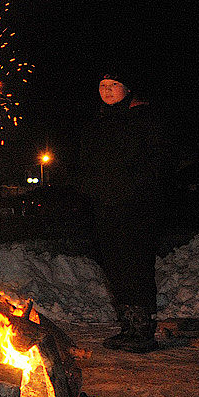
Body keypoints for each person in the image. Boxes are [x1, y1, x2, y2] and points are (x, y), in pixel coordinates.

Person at [78, 70, 172, 352]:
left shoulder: (144, 119)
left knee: (136, 265)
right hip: (106, 207)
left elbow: (160, 163)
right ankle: (128, 327)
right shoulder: (99, 122)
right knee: (116, 266)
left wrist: (140, 190)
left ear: (127, 88)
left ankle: (143, 330)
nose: (107, 91)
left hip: (137, 207)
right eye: (102, 85)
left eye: (113, 85)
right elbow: (87, 163)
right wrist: (90, 190)